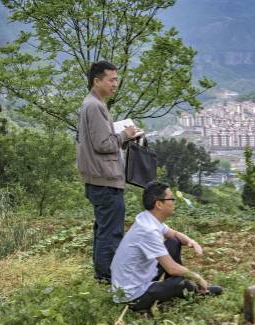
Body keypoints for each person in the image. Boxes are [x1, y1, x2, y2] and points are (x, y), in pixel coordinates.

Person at [111, 181, 222, 313]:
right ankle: (199, 292)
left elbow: (173, 234)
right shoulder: (148, 231)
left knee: (173, 242)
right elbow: (172, 268)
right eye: (171, 199)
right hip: (131, 296)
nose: (174, 202)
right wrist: (197, 277)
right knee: (181, 282)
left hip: (142, 277)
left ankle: (172, 286)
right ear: (159, 204)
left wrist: (191, 241)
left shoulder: (148, 218)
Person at [76, 60, 141, 283]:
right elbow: (103, 144)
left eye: (117, 79)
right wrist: (126, 135)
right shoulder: (94, 106)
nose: (116, 84)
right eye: (111, 79)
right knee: (110, 232)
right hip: (105, 180)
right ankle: (107, 276)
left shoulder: (93, 104)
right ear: (97, 81)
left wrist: (121, 138)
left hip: (99, 178)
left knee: (103, 230)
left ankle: (101, 274)